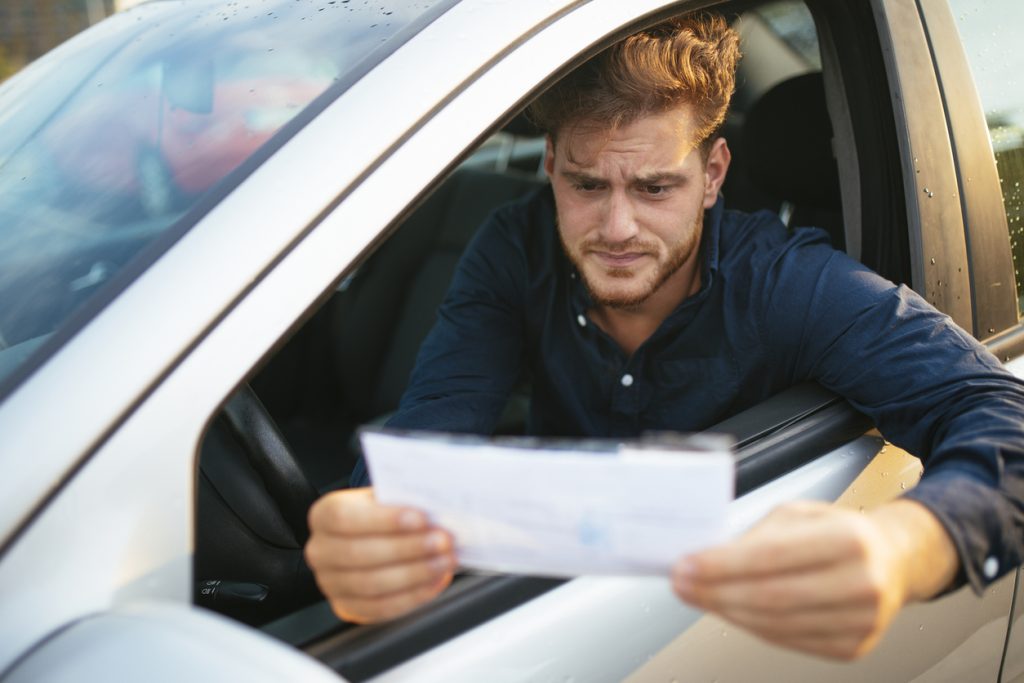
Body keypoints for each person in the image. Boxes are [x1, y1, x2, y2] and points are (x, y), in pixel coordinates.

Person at [304, 13, 1024, 660]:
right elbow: (428, 440)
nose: (617, 229)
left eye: (654, 188)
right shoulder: (515, 250)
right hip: (543, 627)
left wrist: (902, 547)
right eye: (587, 185)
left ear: (712, 174)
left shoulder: (787, 282)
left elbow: (1007, 421)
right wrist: (369, 539)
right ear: (550, 164)